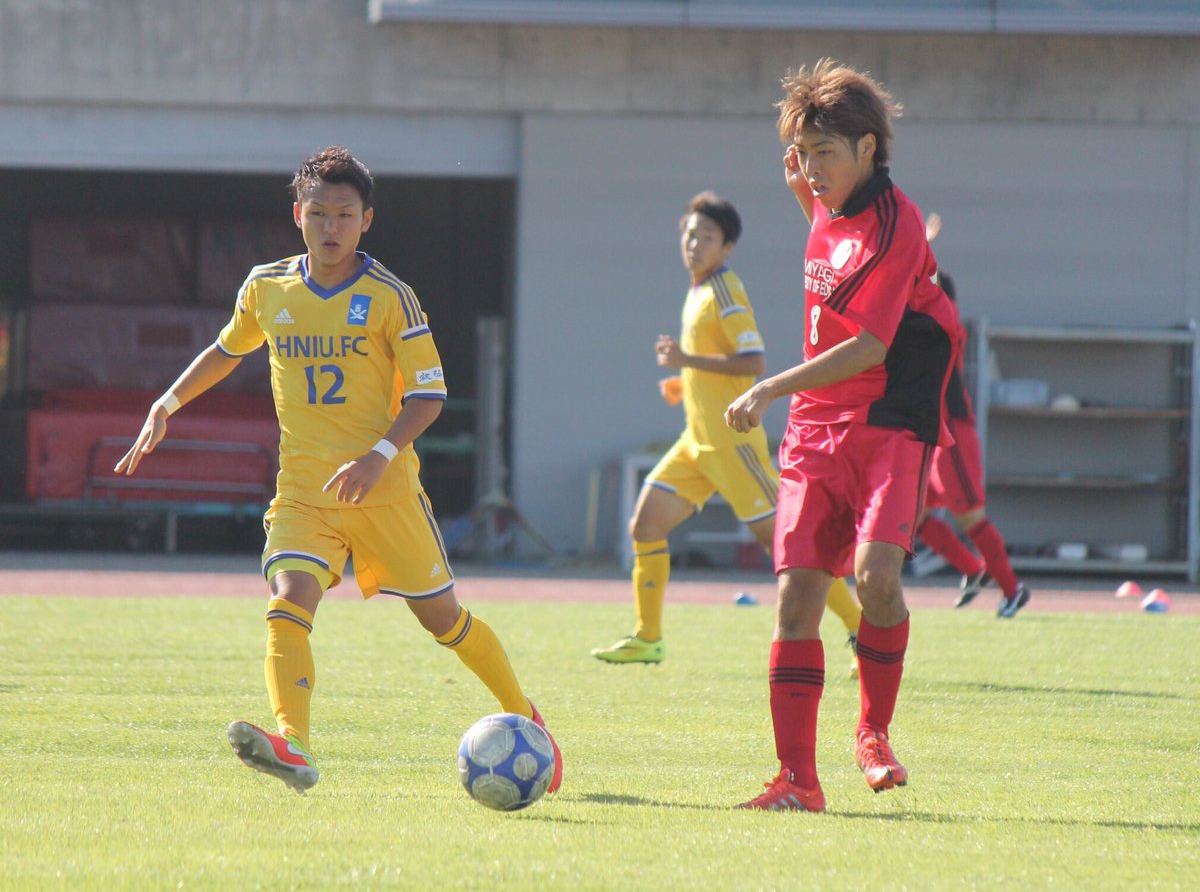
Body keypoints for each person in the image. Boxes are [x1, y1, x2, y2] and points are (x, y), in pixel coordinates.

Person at [114, 146, 561, 795]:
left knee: (445, 622)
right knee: (287, 601)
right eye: (318, 212)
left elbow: (428, 394)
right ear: (298, 214)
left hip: (386, 492)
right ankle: (294, 744)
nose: (330, 226)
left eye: (344, 214)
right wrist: (167, 400)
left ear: (366, 220)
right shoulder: (267, 287)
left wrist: (378, 454)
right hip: (305, 491)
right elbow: (225, 349)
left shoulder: (390, 297)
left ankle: (526, 716)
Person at [725, 59, 959, 813]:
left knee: (876, 578)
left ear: (869, 149)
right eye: (804, 152)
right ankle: (798, 781)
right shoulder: (818, 196)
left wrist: (767, 385)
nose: (812, 169)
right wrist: (798, 147)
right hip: (817, 429)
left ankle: (873, 730)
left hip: (891, 413)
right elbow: (803, 180)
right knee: (795, 598)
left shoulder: (894, 226)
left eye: (828, 152)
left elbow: (868, 349)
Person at [590, 192, 862, 668]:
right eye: (690, 234)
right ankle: (648, 637)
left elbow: (752, 362)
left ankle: (859, 626)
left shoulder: (724, 290)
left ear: (727, 247)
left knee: (789, 547)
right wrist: (685, 382)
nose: (695, 244)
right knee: (646, 525)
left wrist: (684, 360)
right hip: (697, 443)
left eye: (708, 237)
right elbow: (721, 366)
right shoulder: (698, 288)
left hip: (734, 447)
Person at [916, 214, 1030, 617]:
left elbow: (922, 283)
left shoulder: (945, 322)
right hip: (930, 436)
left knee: (971, 518)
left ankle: (1012, 590)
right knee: (913, 517)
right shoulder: (921, 323)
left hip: (952, 435)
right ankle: (973, 569)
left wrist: (920, 250)